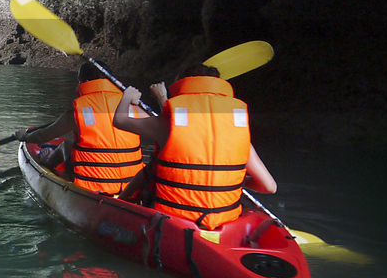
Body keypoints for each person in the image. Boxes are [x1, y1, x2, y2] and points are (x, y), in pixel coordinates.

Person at [112, 64, 276, 230]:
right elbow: (269, 187)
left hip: (174, 223)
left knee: (154, 166)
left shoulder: (166, 125)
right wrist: (233, 181)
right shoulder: (239, 133)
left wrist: (127, 96)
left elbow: (120, 120)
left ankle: (121, 203)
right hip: (224, 225)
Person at [16, 62, 147, 195]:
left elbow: (42, 137)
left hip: (93, 187)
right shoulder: (131, 106)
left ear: (83, 82)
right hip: (132, 186)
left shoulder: (78, 111)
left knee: (66, 145)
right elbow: (161, 125)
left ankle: (49, 159)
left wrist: (25, 136)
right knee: (68, 144)